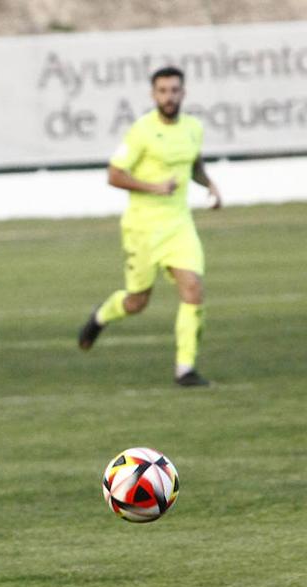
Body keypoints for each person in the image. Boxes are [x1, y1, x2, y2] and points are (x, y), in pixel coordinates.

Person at [78, 66, 221, 386]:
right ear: (153, 94)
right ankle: (102, 315)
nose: (169, 97)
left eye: (174, 90)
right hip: (142, 228)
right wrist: (155, 187)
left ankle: (185, 369)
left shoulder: (193, 128)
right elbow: (114, 175)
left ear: (183, 93)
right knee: (136, 302)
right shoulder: (141, 131)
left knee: (193, 289)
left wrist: (209, 184)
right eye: (163, 91)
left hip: (179, 225)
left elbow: (194, 163)